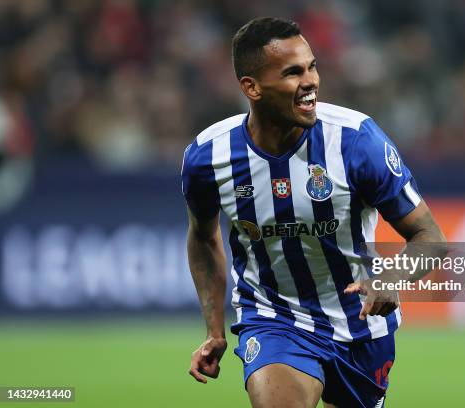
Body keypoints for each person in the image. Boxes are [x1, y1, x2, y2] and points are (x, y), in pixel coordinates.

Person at [182, 17, 446, 408]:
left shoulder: (357, 142)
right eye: (292, 72)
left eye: (312, 66)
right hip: (274, 317)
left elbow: (430, 239)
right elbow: (203, 237)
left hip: (360, 322)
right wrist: (214, 329)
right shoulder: (209, 157)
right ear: (251, 88)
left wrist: (392, 277)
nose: (310, 82)